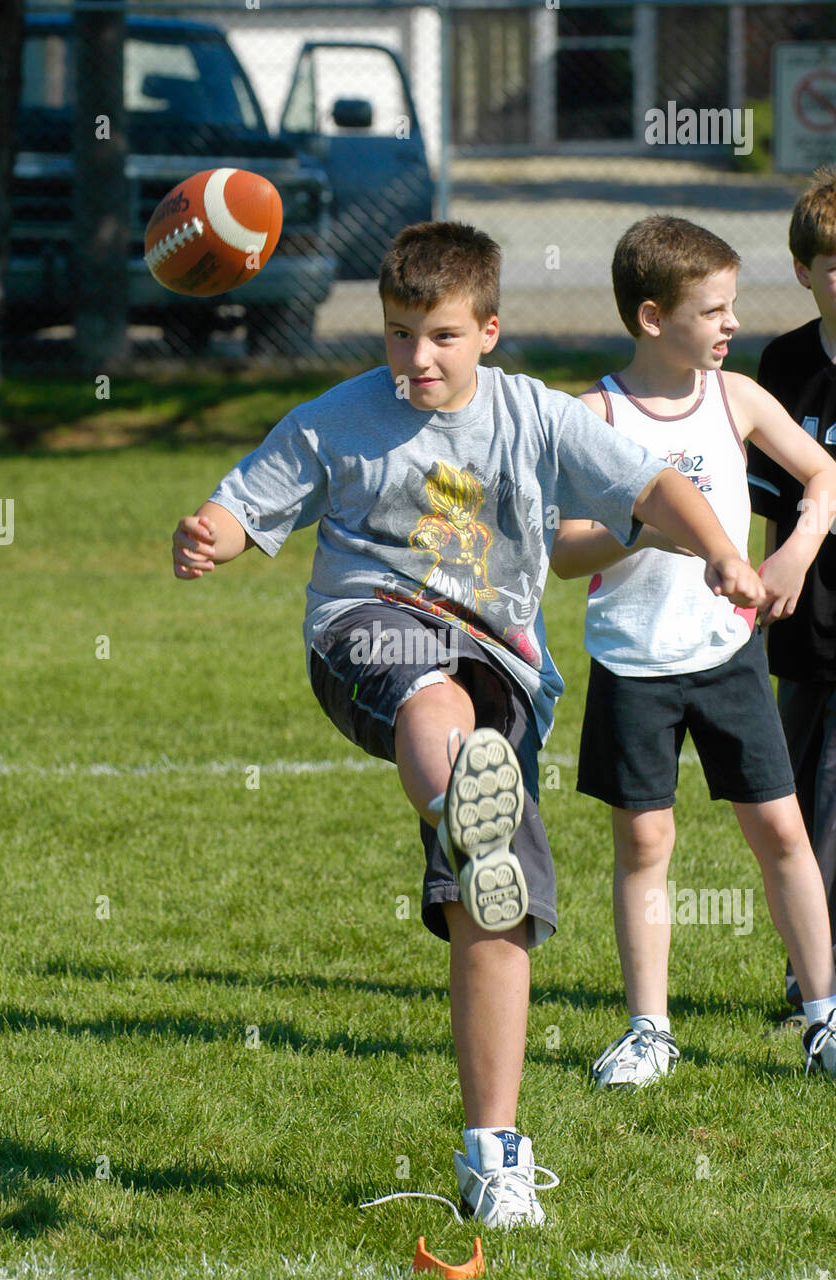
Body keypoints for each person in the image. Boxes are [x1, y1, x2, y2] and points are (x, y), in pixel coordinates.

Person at [172, 220, 765, 1226]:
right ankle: (459, 802)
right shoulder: (338, 417)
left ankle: (493, 1154)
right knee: (428, 689)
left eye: (441, 336)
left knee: (494, 907)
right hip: (370, 631)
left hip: (505, 669)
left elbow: (653, 485)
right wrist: (209, 536)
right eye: (399, 334)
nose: (416, 358)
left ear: (489, 329)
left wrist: (720, 550)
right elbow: (247, 503)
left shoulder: (534, 416)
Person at [550, 214, 836, 1090]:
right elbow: (563, 551)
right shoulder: (595, 413)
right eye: (712, 311)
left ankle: (825, 1018)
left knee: (783, 832)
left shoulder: (737, 398)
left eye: (732, 305)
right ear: (650, 317)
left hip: (729, 657)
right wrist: (650, 531)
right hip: (634, 662)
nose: (731, 324)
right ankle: (649, 1031)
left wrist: (792, 551)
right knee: (645, 845)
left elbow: (825, 475)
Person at [746, 166, 836, 1014]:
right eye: (832, 260)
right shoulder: (784, 363)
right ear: (804, 270)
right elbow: (771, 508)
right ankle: (807, 974)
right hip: (808, 628)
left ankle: (825, 990)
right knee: (802, 799)